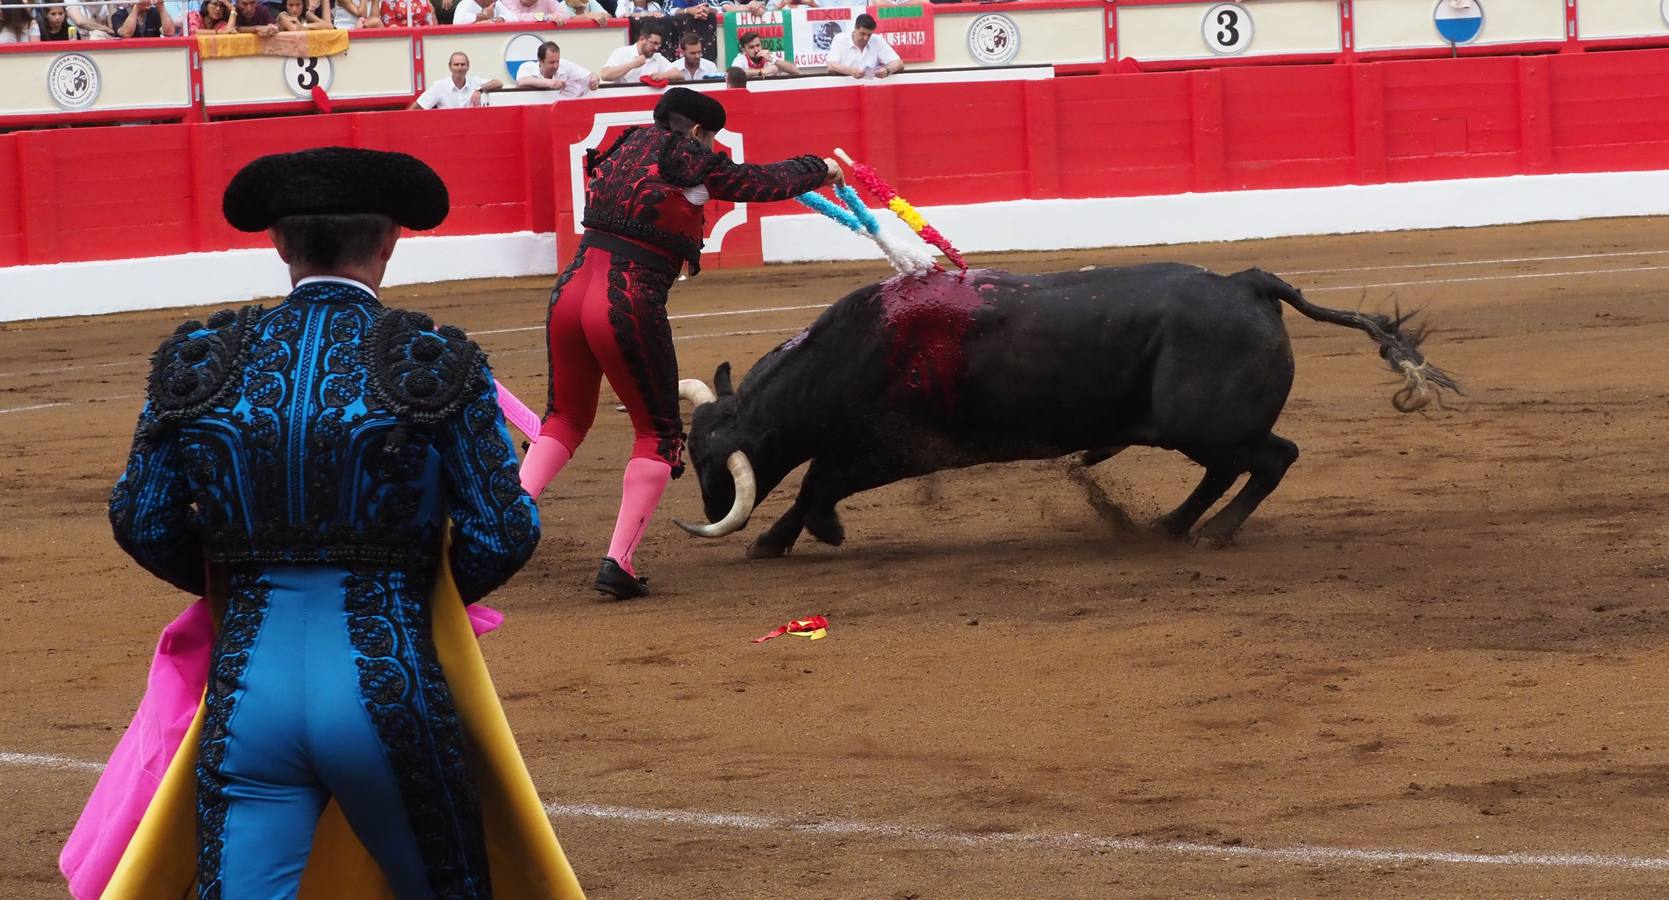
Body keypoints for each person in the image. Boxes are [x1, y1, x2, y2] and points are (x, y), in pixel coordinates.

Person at [104, 146, 555, 898]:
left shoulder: (202, 356)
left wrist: (239, 583)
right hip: (388, 676)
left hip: (249, 690)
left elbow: (143, 518)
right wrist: (419, 596)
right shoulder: (430, 358)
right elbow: (503, 530)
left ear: (279, 243)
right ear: (389, 241)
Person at [522, 88, 841, 598]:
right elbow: (758, 182)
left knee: (564, 418)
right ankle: (618, 564)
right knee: (657, 432)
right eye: (710, 137)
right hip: (624, 299)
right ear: (696, 131)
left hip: (569, 291)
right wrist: (818, 167)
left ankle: (497, 527)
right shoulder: (688, 155)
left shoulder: (622, 144)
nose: (711, 146)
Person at [411, 50, 502, 108]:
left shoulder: (475, 82)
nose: (459, 68)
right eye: (456, 64)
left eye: (463, 64)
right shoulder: (440, 86)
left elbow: (498, 82)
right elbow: (417, 106)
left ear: (468, 67)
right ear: (450, 67)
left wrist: (480, 89)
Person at [824, 12, 902, 79]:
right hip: (844, 87)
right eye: (862, 33)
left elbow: (898, 63)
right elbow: (831, 65)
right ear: (855, 28)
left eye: (869, 35)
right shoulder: (840, 39)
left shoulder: (877, 40)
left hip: (871, 88)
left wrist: (887, 70)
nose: (865, 38)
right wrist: (851, 71)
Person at [599, 18, 675, 82]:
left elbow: (678, 74)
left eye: (658, 44)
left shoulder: (656, 56)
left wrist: (662, 75)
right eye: (654, 43)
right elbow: (605, 75)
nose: (656, 48)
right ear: (642, 39)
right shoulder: (622, 52)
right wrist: (632, 65)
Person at [515, 40, 600, 98]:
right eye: (551, 62)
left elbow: (591, 75)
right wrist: (549, 82)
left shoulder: (564, 64)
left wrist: (595, 80)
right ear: (540, 61)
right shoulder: (527, 66)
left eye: (557, 61)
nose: (556, 66)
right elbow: (521, 82)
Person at [731, 29, 799, 76]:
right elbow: (734, 74)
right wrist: (761, 71)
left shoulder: (769, 56)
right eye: (751, 47)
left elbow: (795, 71)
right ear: (744, 50)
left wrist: (774, 60)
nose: (756, 50)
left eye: (758, 45)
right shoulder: (740, 59)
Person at [113, 0, 178, 36]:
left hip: (152, 52)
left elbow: (169, 32)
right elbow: (126, 33)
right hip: (127, 54)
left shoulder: (154, 12)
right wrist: (137, 8)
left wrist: (161, 7)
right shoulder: (119, 14)